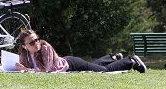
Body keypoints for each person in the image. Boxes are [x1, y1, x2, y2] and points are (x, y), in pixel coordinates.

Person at [15, 29, 146, 73]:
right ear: (25, 46)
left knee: (103, 72)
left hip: (71, 64)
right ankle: (112, 58)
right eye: (31, 42)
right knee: (95, 66)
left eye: (36, 39)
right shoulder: (24, 53)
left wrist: (26, 70)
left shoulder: (45, 47)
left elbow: (48, 70)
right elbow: (24, 66)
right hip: (67, 64)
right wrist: (21, 67)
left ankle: (131, 61)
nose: (36, 43)